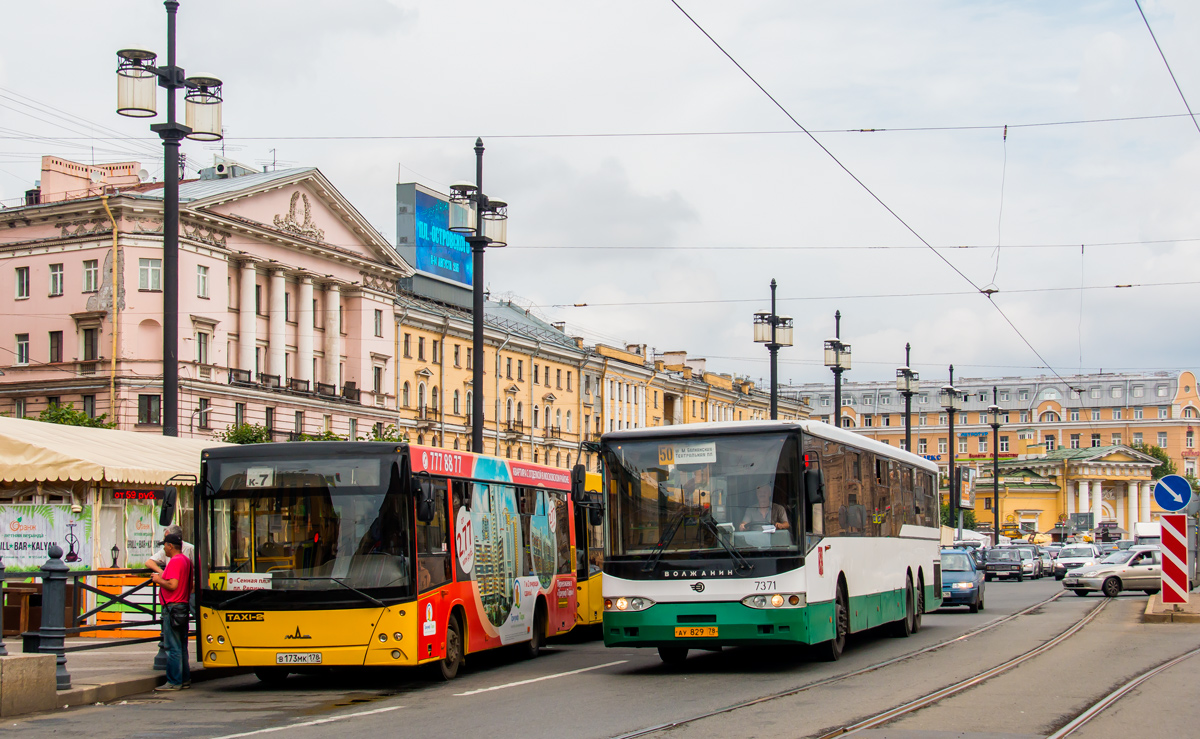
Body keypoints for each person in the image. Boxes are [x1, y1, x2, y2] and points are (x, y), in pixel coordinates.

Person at [152, 532, 192, 691]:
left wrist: (157, 580)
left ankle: (174, 681)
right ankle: (185, 679)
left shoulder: (175, 561)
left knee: (172, 646)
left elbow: (172, 585)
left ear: (170, 546)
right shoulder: (186, 560)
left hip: (173, 606)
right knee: (181, 645)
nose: (164, 549)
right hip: (182, 605)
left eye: (165, 545)